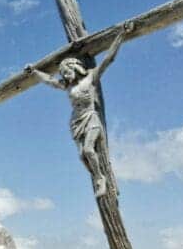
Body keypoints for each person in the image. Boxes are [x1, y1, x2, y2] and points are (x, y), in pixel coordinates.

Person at [26, 21, 133, 198]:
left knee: (88, 150)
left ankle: (101, 178)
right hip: (76, 122)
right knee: (82, 157)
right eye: (62, 73)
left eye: (66, 71)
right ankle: (97, 176)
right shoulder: (67, 86)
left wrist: (120, 35)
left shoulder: (90, 78)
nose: (64, 75)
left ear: (75, 67)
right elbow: (49, 80)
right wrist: (34, 72)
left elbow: (109, 59)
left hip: (91, 118)